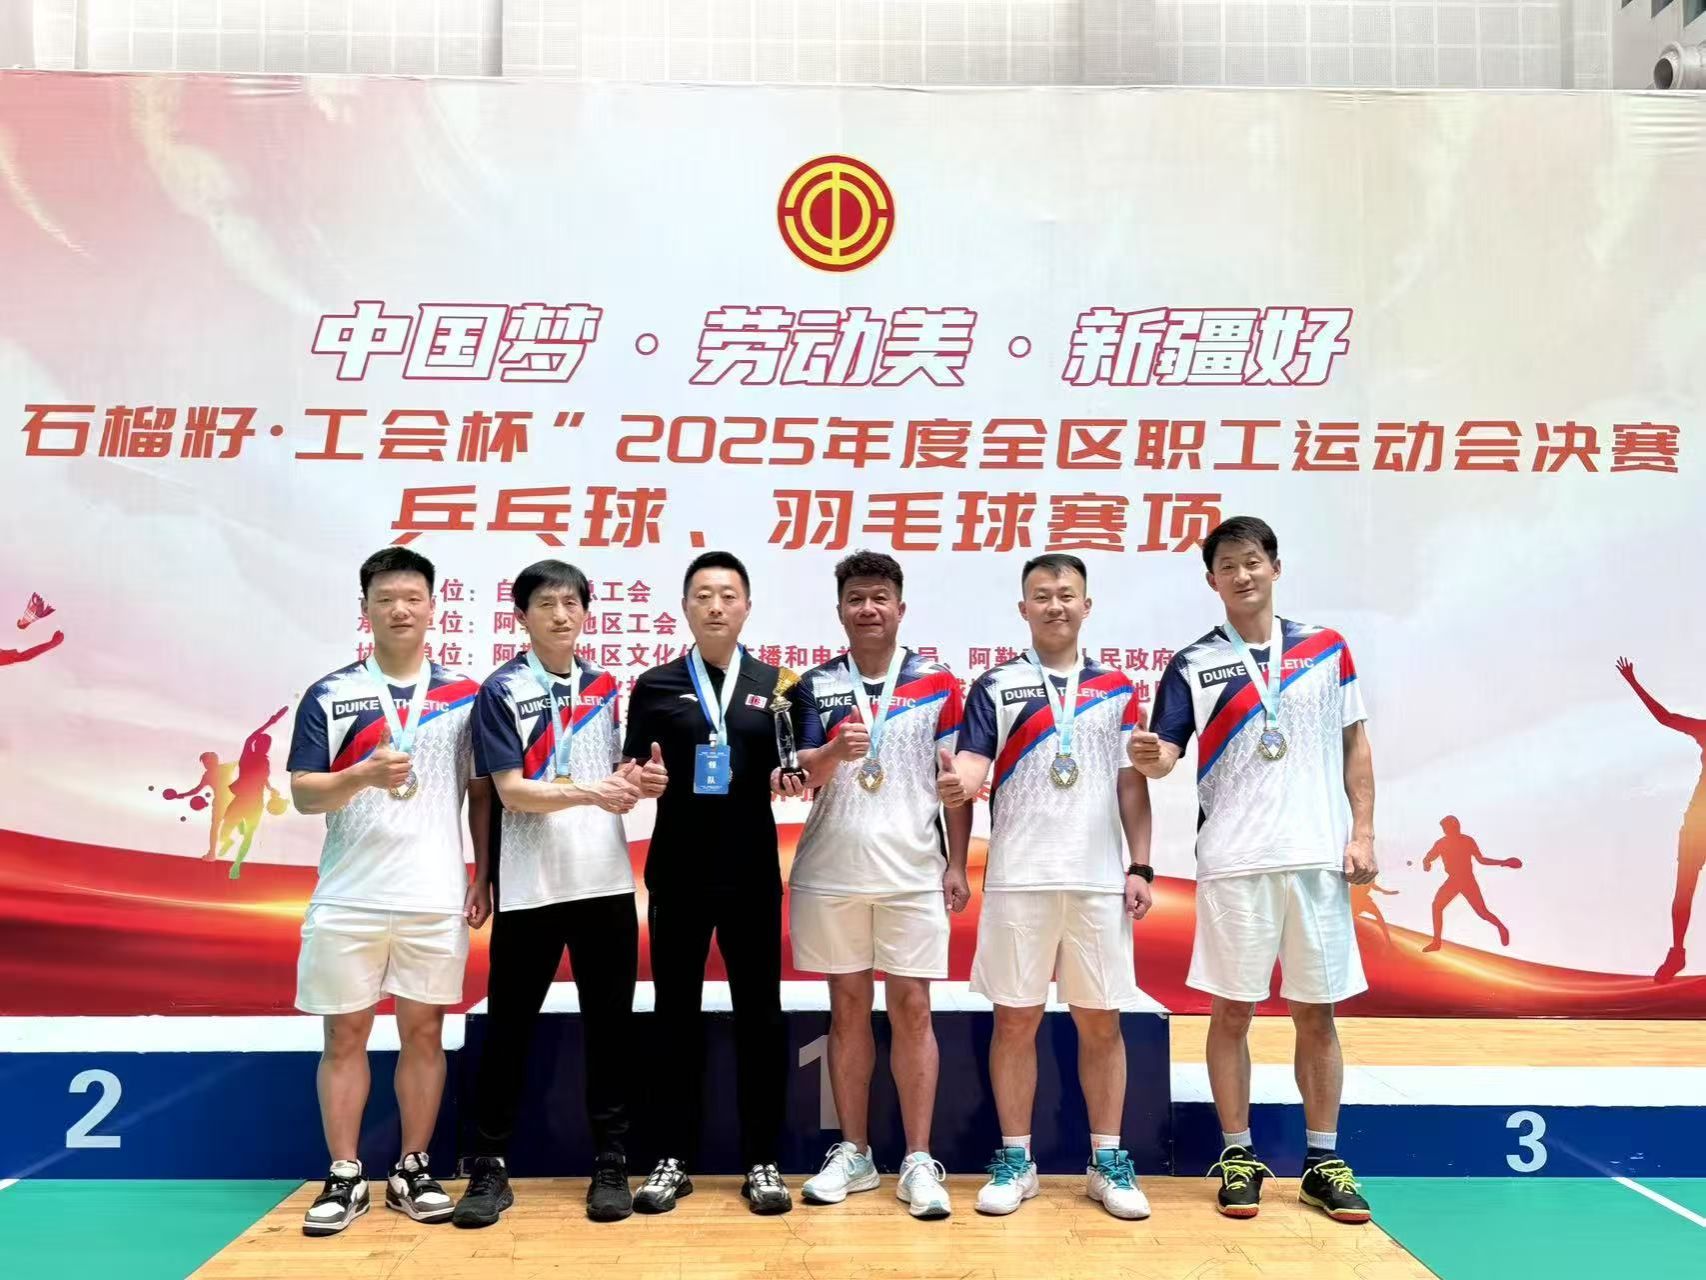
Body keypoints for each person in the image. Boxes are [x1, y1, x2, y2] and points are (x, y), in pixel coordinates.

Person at [1130, 516, 1375, 1225]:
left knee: (1316, 1012)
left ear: (1275, 566)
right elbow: (1167, 753)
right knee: (1232, 1011)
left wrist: (1362, 832)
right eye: (1228, 566)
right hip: (1235, 861)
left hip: (1315, 858)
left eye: (1252, 561)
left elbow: (1355, 745)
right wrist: (1151, 757)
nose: (1242, 575)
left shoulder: (1326, 649)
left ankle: (1323, 1162)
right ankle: (1237, 1156)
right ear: (1212, 581)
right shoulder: (1193, 663)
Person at [937, 553, 1155, 1221]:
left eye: (1066, 594)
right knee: (1014, 1019)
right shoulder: (996, 685)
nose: (1054, 605)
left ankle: (1107, 1161)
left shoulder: (1118, 688)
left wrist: (1141, 865)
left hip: (1096, 880)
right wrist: (958, 782)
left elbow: (1131, 784)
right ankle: (1016, 1160)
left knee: (1102, 1021)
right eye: (1041, 595)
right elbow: (973, 763)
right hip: (1019, 879)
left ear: (1087, 605)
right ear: (1023, 608)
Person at [453, 560, 667, 1229]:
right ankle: (489, 1166)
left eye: (572, 603)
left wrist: (639, 783)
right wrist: (592, 791)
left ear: (586, 613)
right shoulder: (501, 690)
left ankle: (612, 1161)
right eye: (546, 604)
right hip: (530, 885)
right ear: (521, 616)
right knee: (509, 1031)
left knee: (611, 1030)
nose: (561, 614)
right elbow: (511, 792)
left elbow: (615, 775)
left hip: (603, 881)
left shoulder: (604, 685)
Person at [286, 547, 492, 1237]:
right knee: (344, 1034)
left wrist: (483, 873)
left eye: (412, 597)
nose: (400, 609)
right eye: (385, 599)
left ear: (433, 607)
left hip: (434, 895)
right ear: (366, 609)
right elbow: (304, 793)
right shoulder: (331, 694)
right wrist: (360, 776)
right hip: (349, 896)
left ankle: (412, 1167)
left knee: (424, 1032)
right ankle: (345, 1174)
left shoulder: (465, 697)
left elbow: (480, 794)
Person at [786, 550, 970, 1220]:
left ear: (900, 607)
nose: (868, 609)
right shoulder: (813, 685)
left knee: (913, 1008)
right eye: (856, 598)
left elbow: (954, 783)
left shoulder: (939, 684)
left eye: (879, 597)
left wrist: (956, 863)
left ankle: (918, 1159)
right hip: (832, 871)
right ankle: (856, 1153)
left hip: (913, 872)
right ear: (840, 610)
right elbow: (801, 775)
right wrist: (835, 751)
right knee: (847, 1008)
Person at [621, 551, 798, 1215]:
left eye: (728, 594)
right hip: (678, 870)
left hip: (751, 871)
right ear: (686, 607)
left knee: (760, 1014)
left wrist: (790, 778)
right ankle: (671, 1158)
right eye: (703, 595)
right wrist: (642, 780)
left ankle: (763, 1160)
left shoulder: (779, 685)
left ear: (747, 606)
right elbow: (631, 769)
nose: (716, 605)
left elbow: (794, 764)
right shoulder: (656, 685)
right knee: (674, 1015)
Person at [1616, 656, 1706, 983]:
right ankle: (1677, 952)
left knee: (1684, 889)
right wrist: (1634, 683)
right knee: (1684, 889)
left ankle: (1677, 951)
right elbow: (1665, 718)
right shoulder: (1704, 730)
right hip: (1698, 823)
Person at [1420, 816, 1520, 953]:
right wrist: (1426, 863)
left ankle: (1501, 927)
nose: (1446, 831)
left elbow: (1481, 860)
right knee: (1437, 906)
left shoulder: (1467, 840)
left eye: (1448, 828)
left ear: (1456, 827)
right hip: (1453, 881)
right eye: (1445, 828)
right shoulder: (1441, 843)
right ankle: (1436, 942)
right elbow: (1428, 857)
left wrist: (1503, 862)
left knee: (1482, 912)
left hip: (1467, 880)